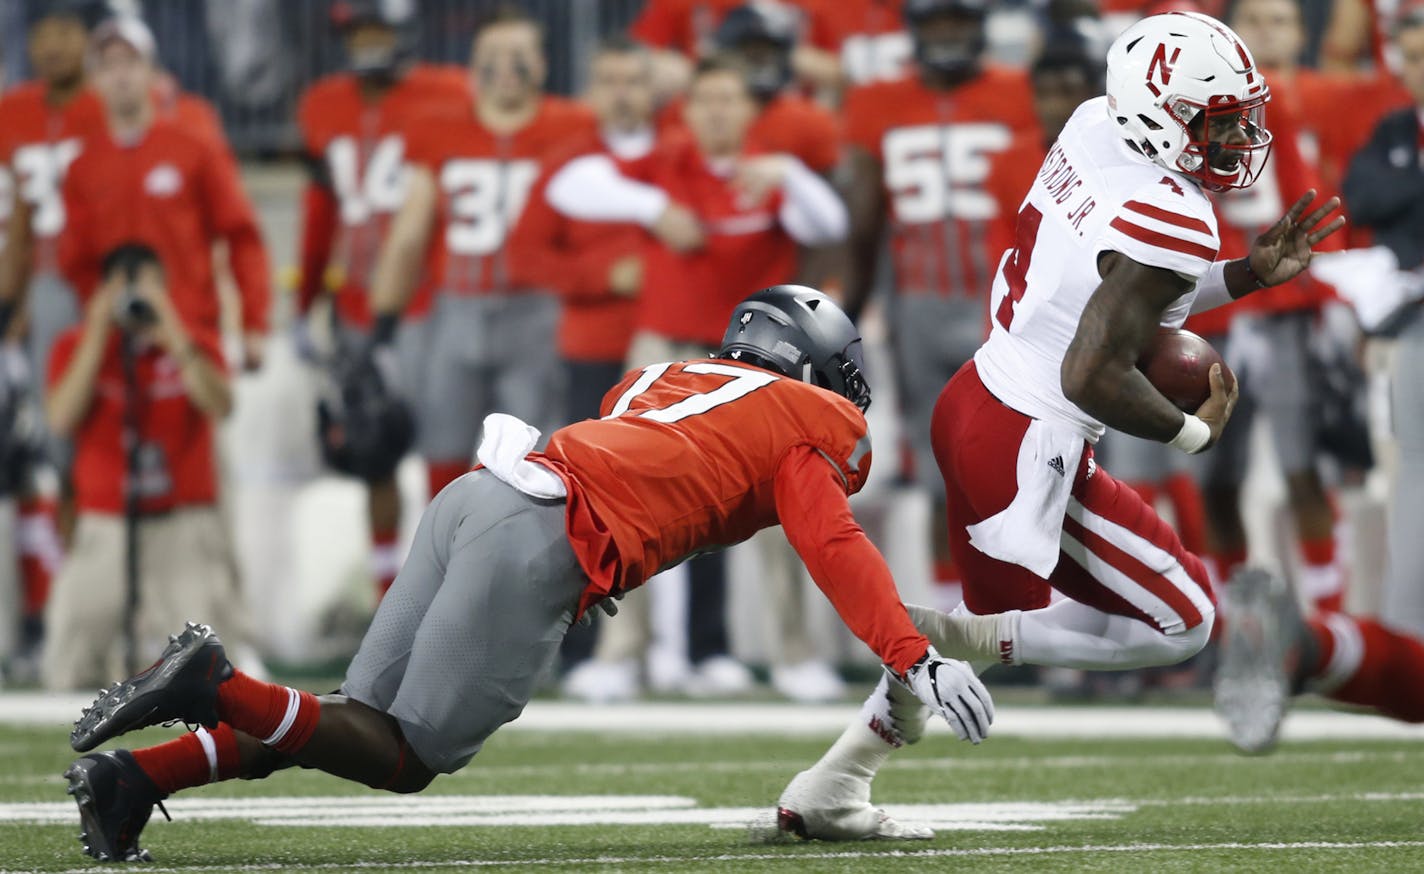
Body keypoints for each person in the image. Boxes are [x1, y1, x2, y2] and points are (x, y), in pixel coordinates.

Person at [62, 286, 994, 864]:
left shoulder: (661, 377)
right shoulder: (809, 421)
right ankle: (216, 685)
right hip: (540, 536)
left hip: (481, 495)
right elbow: (834, 546)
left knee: (351, 719)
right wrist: (914, 657)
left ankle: (137, 782)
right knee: (404, 757)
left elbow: (650, 465)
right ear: (813, 364)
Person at [775, 11, 1345, 840]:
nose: (1236, 139)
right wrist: (1194, 434)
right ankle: (939, 637)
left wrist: (1249, 273)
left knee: (1009, 633)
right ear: (1161, 112)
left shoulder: (1091, 126)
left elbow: (1126, 294)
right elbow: (1095, 370)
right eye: (1217, 121)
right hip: (1027, 443)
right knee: (1183, 620)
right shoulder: (1171, 213)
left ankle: (833, 784)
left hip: (976, 399)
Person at [547, 56, 848, 701]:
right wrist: (652, 206)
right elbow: (566, 186)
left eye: (728, 99)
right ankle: (623, 653)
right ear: (686, 110)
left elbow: (829, 224)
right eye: (704, 99)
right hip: (664, 354)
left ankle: (794, 654)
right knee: (630, 501)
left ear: (749, 110)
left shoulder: (770, 171)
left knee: (779, 502)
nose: (715, 111)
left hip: (752, 363)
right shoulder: (665, 165)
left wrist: (790, 175)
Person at [1210, 4, 1424, 754]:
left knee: (1308, 472)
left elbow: (1354, 200)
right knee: (1215, 478)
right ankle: (1252, 631)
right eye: (1254, 21)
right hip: (1230, 298)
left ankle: (1316, 626)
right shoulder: (1209, 98)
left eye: (1278, 20)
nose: (1268, 34)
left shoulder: (1345, 98)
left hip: (1306, 302)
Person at [840, 0, 1036, 612]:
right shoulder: (876, 101)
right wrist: (848, 310)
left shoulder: (1023, 91)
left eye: (959, 22)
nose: (948, 35)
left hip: (1006, 301)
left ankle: (1032, 615)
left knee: (1025, 464)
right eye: (936, 23)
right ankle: (960, 616)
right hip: (918, 306)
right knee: (939, 474)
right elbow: (865, 220)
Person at [367, 7, 597, 500]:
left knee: (535, 459)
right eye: (492, 54)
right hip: (455, 306)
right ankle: (449, 560)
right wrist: (383, 323)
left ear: (543, 62)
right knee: (441, 448)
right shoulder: (439, 128)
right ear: (472, 64)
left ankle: (523, 568)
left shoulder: (576, 125)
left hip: (538, 310)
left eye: (519, 54)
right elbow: (410, 231)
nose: (505, 66)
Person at [294, 0, 470, 599]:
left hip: (435, 301)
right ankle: (387, 596)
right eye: (358, 32)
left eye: (377, 30)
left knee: (448, 450)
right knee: (373, 449)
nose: (367, 44)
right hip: (358, 307)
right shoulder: (323, 102)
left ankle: (453, 591)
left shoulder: (450, 92)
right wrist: (305, 297)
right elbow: (320, 212)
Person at [40, 243, 234, 690]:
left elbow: (220, 404)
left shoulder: (195, 341)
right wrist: (97, 331)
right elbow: (61, 417)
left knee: (212, 666)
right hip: (106, 521)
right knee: (69, 659)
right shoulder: (76, 345)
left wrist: (171, 330)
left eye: (150, 288)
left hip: (180, 522)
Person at [58, 16, 271, 360]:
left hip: (190, 331)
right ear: (94, 80)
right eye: (108, 65)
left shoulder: (194, 149)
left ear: (153, 73)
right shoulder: (83, 167)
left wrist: (253, 322)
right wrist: (101, 315)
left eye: (130, 61)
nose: (121, 74)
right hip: (117, 341)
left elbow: (242, 235)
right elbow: (76, 260)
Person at [0, 0, 107, 679]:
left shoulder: (113, 106)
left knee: (85, 461)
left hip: (93, 291)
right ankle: (48, 619)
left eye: (65, 31)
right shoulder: (13, 112)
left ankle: (87, 614)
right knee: (38, 461)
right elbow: (16, 219)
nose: (52, 45)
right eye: (41, 33)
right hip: (35, 294)